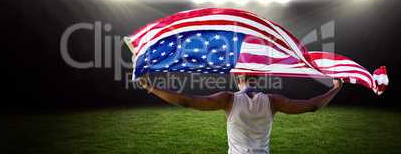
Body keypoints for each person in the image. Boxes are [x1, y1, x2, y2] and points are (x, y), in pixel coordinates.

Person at [137, 74, 343, 154]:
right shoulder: (272, 101)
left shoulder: (228, 99)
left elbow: (187, 101)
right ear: (259, 79)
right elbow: (312, 105)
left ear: (237, 78)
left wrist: (151, 88)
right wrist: (336, 88)